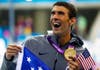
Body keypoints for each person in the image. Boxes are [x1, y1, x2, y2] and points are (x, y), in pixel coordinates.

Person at [1, 1, 85, 70]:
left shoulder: (82, 53)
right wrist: (8, 59)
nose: (55, 17)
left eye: (60, 13)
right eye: (53, 13)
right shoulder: (31, 44)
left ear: (72, 21)